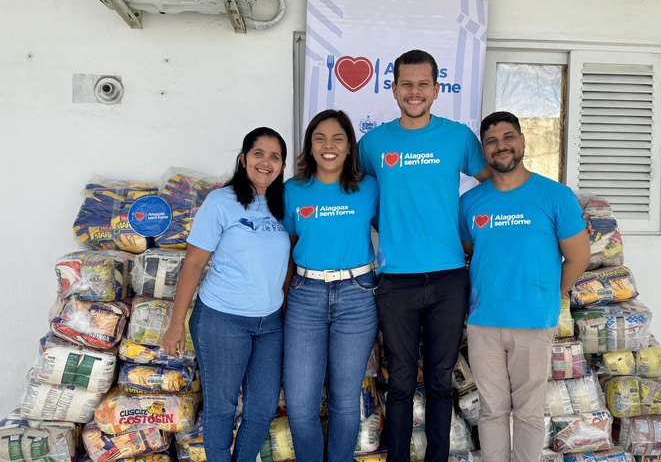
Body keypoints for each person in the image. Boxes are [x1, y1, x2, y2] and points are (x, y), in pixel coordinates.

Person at [357, 49, 490, 462]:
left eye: (423, 85)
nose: (414, 92)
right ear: (394, 88)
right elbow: (359, 198)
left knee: (438, 382)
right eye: (406, 84)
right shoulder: (373, 143)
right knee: (398, 382)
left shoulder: (458, 138)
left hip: (449, 278)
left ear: (436, 89)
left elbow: (495, 185)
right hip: (395, 280)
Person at [459, 111, 590, 462]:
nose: (501, 146)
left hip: (533, 321)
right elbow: (473, 250)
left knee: (529, 413)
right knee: (491, 411)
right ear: (484, 151)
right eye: (491, 141)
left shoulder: (555, 196)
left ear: (522, 141)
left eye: (508, 137)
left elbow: (578, 257)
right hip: (484, 321)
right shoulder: (470, 203)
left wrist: (550, 296)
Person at [161, 127, 290, 462]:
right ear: (244, 158)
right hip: (222, 319)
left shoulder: (283, 205)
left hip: (270, 323)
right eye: (259, 153)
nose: (266, 162)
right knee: (222, 407)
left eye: (275, 156)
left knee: (261, 409)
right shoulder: (221, 201)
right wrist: (176, 323)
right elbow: (193, 264)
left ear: (282, 165)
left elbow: (287, 260)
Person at [281, 109, 379, 462]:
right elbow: (286, 248)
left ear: (350, 146)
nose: (329, 146)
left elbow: (396, 229)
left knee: (343, 399)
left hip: (357, 295)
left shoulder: (369, 188)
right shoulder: (293, 191)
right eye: (320, 138)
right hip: (305, 297)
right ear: (309, 145)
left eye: (338, 138)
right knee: (301, 401)